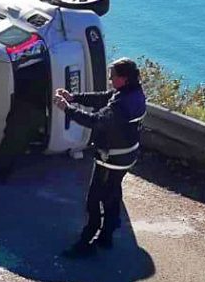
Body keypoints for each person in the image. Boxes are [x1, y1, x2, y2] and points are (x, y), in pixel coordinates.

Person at [53, 57, 147, 256]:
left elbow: (95, 120)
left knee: (94, 199)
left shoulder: (122, 105)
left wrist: (66, 108)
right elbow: (104, 97)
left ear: (124, 78)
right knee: (112, 195)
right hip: (126, 156)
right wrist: (74, 97)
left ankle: (86, 242)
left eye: (113, 77)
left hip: (111, 159)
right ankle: (107, 236)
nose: (110, 80)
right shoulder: (134, 93)